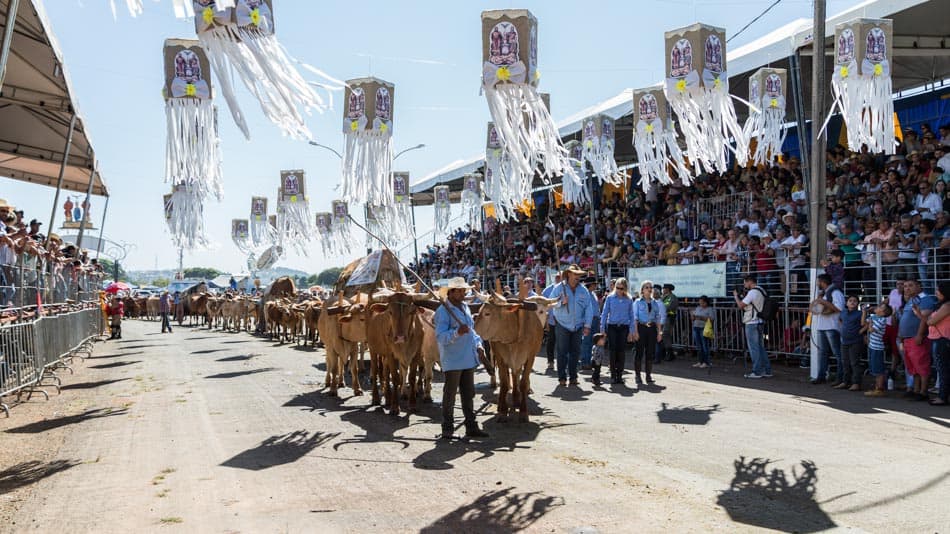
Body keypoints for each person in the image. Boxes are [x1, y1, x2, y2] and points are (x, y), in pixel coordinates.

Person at [434, 277, 489, 441]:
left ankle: (471, 427)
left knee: (468, 393)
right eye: (459, 290)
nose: (463, 292)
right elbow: (441, 337)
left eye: (464, 290)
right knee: (450, 394)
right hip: (453, 359)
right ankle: (447, 428)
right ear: (450, 292)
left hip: (468, 357)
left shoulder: (464, 307)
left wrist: (479, 345)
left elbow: (472, 332)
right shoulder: (442, 312)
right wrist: (457, 333)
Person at [549, 265, 594, 387]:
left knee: (575, 352)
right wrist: (560, 303)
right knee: (562, 352)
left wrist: (587, 325)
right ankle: (562, 377)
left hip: (578, 325)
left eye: (579, 275)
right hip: (562, 324)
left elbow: (588, 309)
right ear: (568, 274)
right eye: (575, 274)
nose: (577, 277)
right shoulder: (559, 288)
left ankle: (573, 376)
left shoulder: (583, 290)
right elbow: (550, 303)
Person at [901, 279, 937, 401]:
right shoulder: (911, 300)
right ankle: (916, 390)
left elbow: (925, 318)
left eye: (910, 285)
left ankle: (923, 391)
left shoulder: (925, 299)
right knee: (913, 367)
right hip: (907, 338)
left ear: (919, 286)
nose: (907, 288)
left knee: (921, 365)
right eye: (905, 286)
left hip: (917, 338)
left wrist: (920, 335)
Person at [734, 274, 772, 379]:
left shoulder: (752, 292)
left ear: (750, 281)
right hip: (760, 321)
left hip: (752, 322)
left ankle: (757, 371)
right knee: (760, 347)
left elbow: (741, 305)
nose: (744, 284)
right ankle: (767, 370)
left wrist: (736, 297)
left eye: (745, 282)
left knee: (754, 348)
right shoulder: (762, 290)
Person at [810, 274, 845, 385]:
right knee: (822, 353)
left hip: (832, 326)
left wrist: (822, 301)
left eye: (818, 282)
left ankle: (841, 377)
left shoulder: (836, 293)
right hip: (823, 326)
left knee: (838, 353)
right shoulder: (825, 294)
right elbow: (814, 309)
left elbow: (839, 308)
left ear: (822, 282)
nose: (817, 284)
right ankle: (821, 376)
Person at [600, 277, 634, 385]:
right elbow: (604, 313)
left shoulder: (629, 299)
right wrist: (602, 329)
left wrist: (631, 331)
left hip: (624, 327)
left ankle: (620, 375)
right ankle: (613, 375)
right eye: (617, 287)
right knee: (612, 351)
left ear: (625, 288)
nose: (619, 290)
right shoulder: (610, 298)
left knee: (621, 351)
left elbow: (632, 316)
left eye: (621, 288)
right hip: (612, 326)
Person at [632, 280, 665, 386]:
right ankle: (637, 376)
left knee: (650, 353)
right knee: (639, 353)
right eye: (647, 287)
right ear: (642, 290)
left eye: (650, 287)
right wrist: (635, 332)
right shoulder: (637, 302)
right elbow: (634, 318)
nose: (649, 289)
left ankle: (648, 375)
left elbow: (658, 318)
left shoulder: (655, 303)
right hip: (641, 328)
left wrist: (659, 332)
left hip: (651, 329)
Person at [924, 281, 950, 405]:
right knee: (943, 369)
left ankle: (943, 397)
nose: (936, 292)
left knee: (943, 370)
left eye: (938, 290)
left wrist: (929, 318)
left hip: (942, 340)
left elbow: (931, 321)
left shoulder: (947, 306)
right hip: (941, 339)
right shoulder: (943, 305)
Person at [862, 302, 893, 397]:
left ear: (883, 313)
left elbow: (871, 330)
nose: (877, 307)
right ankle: (877, 387)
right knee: (875, 368)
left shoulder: (882, 320)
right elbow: (863, 323)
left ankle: (880, 389)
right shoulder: (875, 316)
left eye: (880, 307)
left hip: (877, 348)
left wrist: (870, 322)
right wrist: (864, 312)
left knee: (878, 369)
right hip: (872, 346)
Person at [837, 296, 864, 391]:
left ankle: (856, 383)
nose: (852, 302)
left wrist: (860, 331)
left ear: (858, 304)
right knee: (845, 362)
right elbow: (840, 320)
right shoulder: (843, 312)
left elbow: (865, 324)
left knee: (854, 362)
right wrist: (842, 330)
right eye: (850, 301)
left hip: (856, 341)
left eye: (855, 301)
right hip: (844, 341)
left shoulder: (860, 313)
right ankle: (845, 381)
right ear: (846, 303)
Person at [541, 273, 561, 371]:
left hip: (563, 320)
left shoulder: (565, 289)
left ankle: (563, 362)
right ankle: (550, 361)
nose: (558, 279)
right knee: (551, 341)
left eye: (560, 277)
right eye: (557, 277)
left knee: (563, 343)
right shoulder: (547, 290)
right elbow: (542, 305)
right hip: (551, 320)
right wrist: (545, 320)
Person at [690, 296, 715, 369]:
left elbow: (712, 319)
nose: (700, 303)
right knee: (698, 346)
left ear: (706, 302)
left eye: (702, 302)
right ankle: (700, 361)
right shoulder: (698, 308)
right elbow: (693, 319)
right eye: (700, 302)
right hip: (696, 327)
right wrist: (692, 315)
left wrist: (701, 318)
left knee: (705, 346)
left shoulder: (710, 309)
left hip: (704, 328)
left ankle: (706, 362)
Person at [658, 283, 679, 362]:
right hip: (662, 318)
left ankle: (670, 354)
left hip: (669, 318)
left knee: (666, 335)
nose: (663, 290)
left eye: (664, 288)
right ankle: (664, 353)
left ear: (668, 289)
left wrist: (660, 308)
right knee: (662, 335)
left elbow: (667, 307)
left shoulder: (672, 297)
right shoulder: (663, 297)